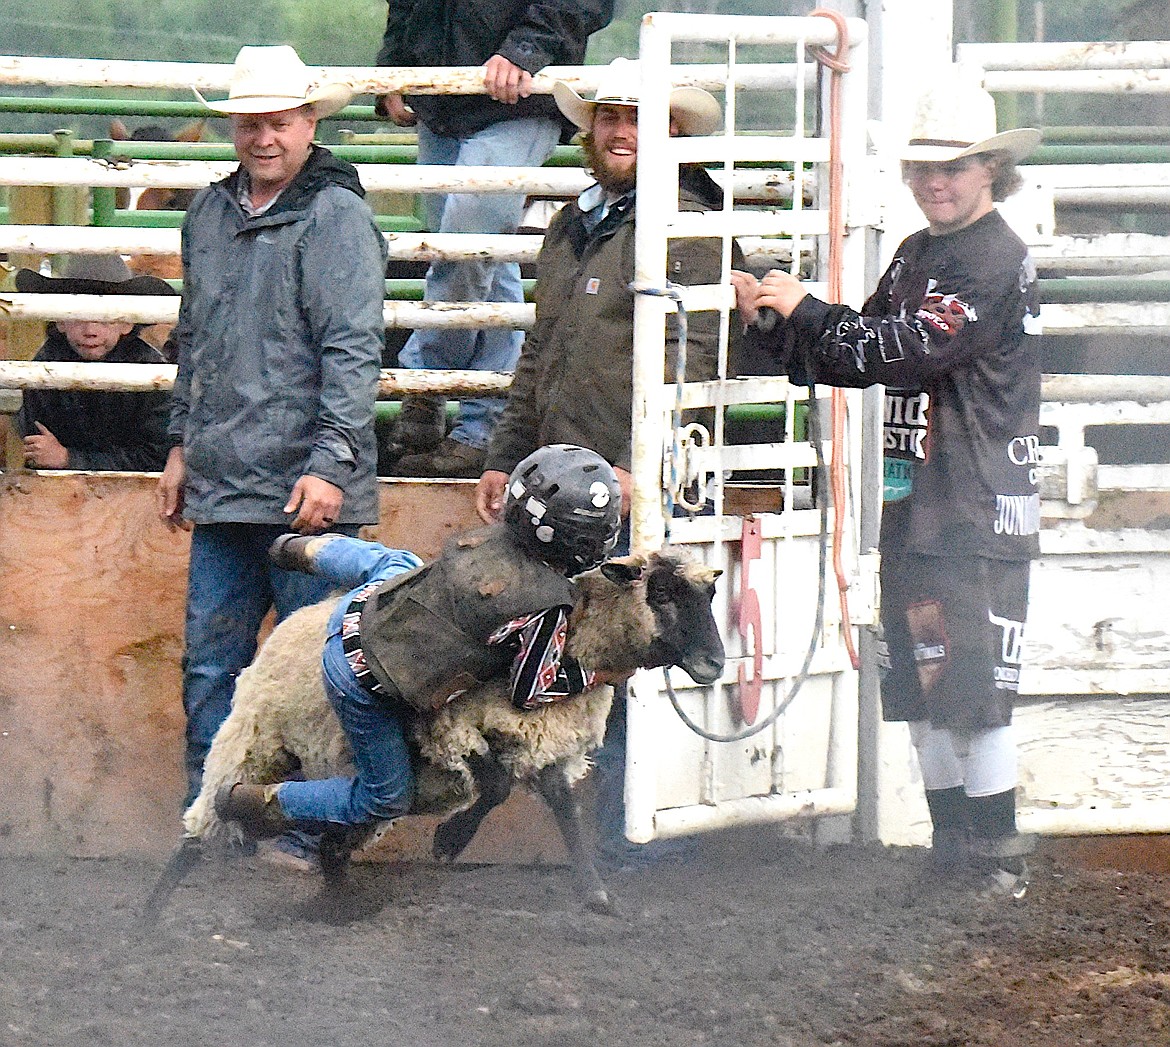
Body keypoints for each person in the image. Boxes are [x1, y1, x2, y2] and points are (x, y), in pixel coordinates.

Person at [731, 75, 1042, 897]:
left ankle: (996, 862)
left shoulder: (994, 258)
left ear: (990, 172)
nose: (936, 182)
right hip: (920, 503)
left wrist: (807, 309)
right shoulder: (918, 252)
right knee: (923, 684)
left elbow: (901, 348)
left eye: (956, 168)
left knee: (972, 690)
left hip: (974, 503)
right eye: (924, 169)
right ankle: (956, 857)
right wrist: (777, 322)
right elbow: (853, 351)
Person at [472, 57, 733, 867]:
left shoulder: (686, 223)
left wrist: (636, 462)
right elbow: (540, 349)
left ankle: (635, 832)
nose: (619, 132)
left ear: (673, 133)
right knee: (581, 652)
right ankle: (592, 835)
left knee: (635, 644)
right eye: (609, 118)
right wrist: (505, 455)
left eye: (638, 118)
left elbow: (698, 354)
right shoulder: (575, 225)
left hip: (633, 480)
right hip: (562, 483)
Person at [158, 45, 389, 869]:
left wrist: (329, 462)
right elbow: (196, 341)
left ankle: (307, 831)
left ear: (309, 123)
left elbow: (353, 348)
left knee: (316, 679)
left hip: (303, 489)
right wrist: (182, 441)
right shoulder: (209, 214)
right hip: (225, 481)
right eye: (251, 122)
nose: (263, 136)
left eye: (279, 121)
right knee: (211, 667)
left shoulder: (335, 216)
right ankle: (214, 824)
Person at [216, 444, 623, 837]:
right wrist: (599, 674)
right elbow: (531, 689)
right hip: (359, 677)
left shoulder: (492, 537)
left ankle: (301, 550)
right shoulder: (547, 606)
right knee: (384, 796)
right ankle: (258, 801)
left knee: (400, 563)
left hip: (363, 607)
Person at [374, 0, 615, 478]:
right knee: (487, 256)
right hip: (444, 95)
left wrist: (524, 49)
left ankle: (427, 381)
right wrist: (394, 69)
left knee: (463, 245)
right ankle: (483, 428)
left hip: (517, 95)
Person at [14, 254, 174, 472]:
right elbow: (39, 450)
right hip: (62, 495)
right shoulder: (45, 365)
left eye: (104, 318)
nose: (90, 331)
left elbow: (157, 457)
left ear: (127, 323)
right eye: (78, 316)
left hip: (133, 496)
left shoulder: (151, 372)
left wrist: (69, 459)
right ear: (60, 321)